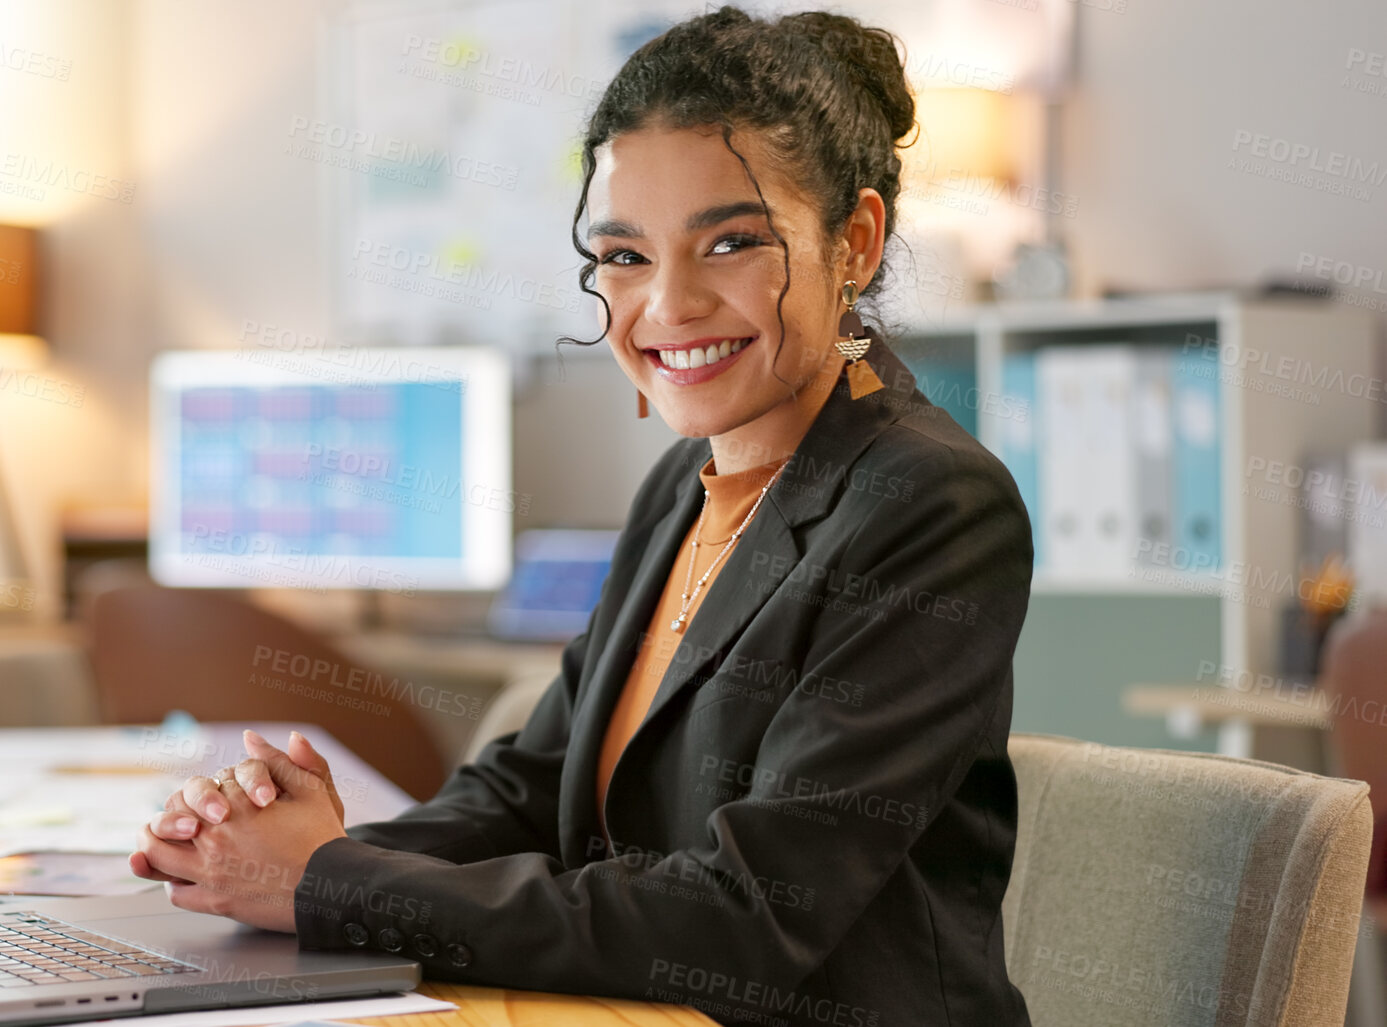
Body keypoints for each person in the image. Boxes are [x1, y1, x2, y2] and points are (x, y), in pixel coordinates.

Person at [131, 6, 1035, 1025]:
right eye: (624, 256)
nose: (668, 305)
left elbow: (743, 920)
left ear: (855, 242)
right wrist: (287, 855)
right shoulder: (681, 489)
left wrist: (328, 883)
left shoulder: (930, 503)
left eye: (730, 243)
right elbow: (533, 782)